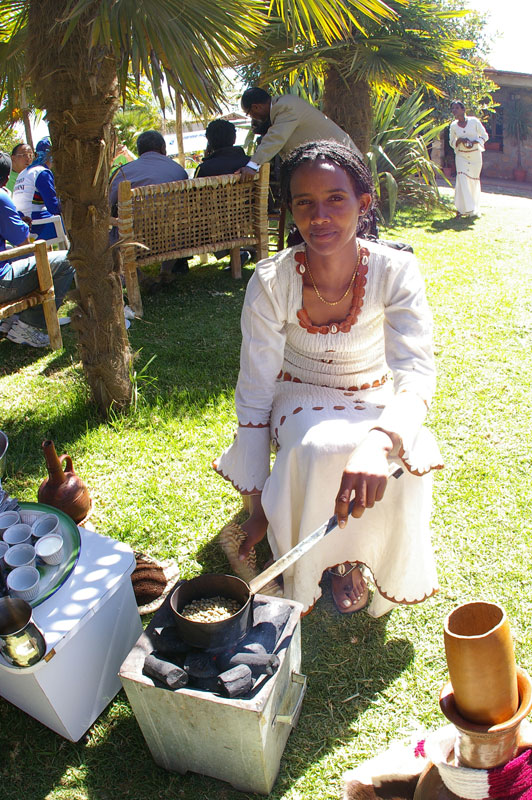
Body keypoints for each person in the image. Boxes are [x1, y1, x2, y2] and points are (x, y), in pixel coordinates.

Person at [214, 140, 442, 618]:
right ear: (290, 211)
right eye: (305, 202)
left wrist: (380, 440)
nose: (320, 216)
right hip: (297, 389)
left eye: (335, 198)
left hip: (374, 391)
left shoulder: (396, 270)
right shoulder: (272, 281)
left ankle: (354, 556)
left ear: (364, 203)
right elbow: (255, 390)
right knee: (317, 448)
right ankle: (319, 556)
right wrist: (256, 508)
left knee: (405, 449)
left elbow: (417, 372)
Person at [0, 152, 75, 348]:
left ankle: (11, 320)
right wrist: (22, 226)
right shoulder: (1, 197)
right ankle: (28, 326)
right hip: (2, 284)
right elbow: (23, 242)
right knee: (67, 260)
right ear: (7, 178)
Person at [109, 130, 189, 285]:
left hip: (134, 238)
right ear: (163, 148)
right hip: (174, 237)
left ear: (139, 151)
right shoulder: (178, 170)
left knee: (112, 233)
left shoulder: (123, 173)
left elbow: (108, 204)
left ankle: (139, 277)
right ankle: (165, 271)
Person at [237, 88, 363, 181]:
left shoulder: (284, 107)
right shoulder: (281, 107)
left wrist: (252, 166)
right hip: (334, 164)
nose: (253, 118)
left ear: (256, 107)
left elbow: (276, 138)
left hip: (344, 163)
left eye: (249, 114)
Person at [13, 137, 63, 241]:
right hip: (38, 225)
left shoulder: (24, 172)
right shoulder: (42, 172)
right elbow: (54, 207)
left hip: (24, 226)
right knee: (77, 216)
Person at [449, 100, 489, 218]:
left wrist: (475, 142)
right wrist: (459, 141)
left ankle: (472, 209)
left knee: (472, 180)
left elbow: (485, 136)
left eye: (457, 108)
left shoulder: (474, 121)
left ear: (463, 109)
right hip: (461, 155)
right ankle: (462, 209)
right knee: (461, 177)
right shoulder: (453, 125)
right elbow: (451, 141)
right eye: (453, 108)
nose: (454, 110)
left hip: (475, 156)